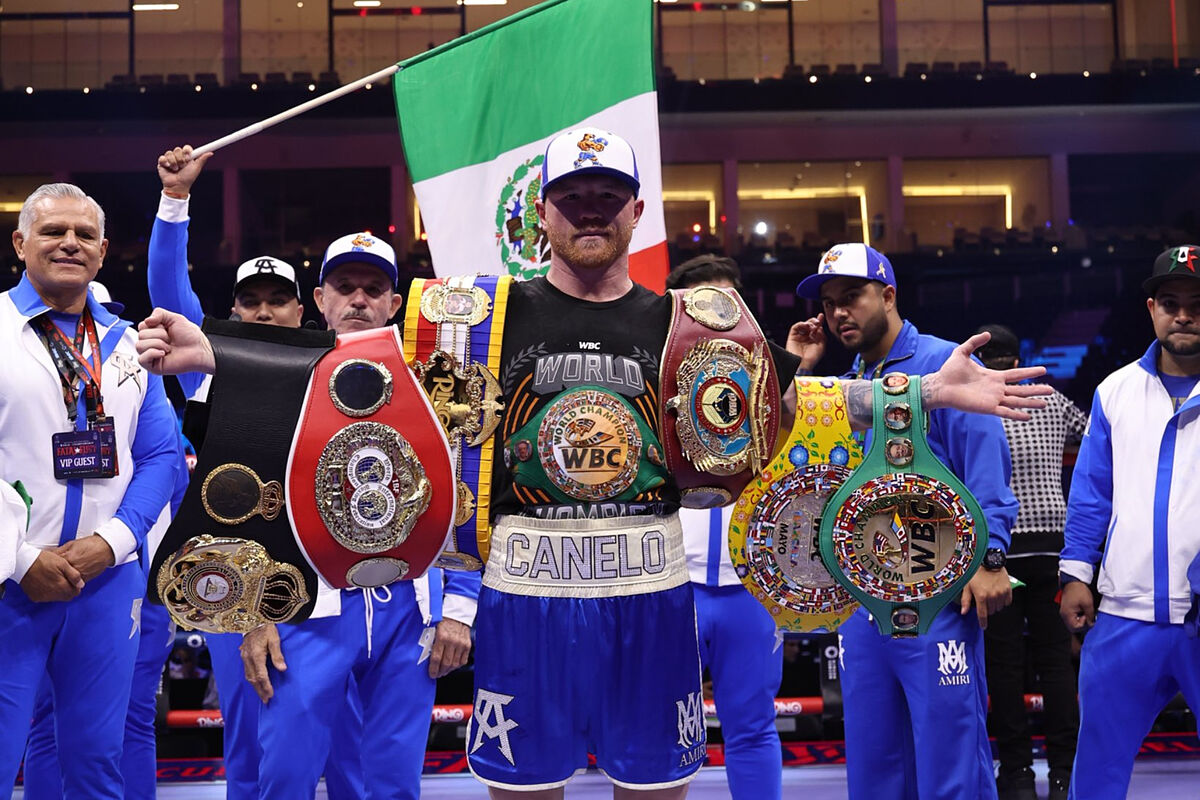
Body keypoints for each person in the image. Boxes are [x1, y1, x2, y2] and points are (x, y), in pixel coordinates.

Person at [135, 129, 1049, 800]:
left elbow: (775, 415)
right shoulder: (481, 317)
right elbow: (361, 374)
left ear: (635, 212)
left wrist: (929, 394)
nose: (590, 211)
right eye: (573, 197)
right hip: (526, 595)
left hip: (651, 596)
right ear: (543, 213)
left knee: (653, 792)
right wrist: (217, 356)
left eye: (608, 197)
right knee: (525, 792)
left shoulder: (681, 323)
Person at [149, 144, 367, 800]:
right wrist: (175, 200)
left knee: (345, 743)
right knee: (251, 740)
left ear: (304, 311)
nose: (266, 311)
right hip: (234, 578)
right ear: (232, 312)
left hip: (329, 580)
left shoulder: (332, 376)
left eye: (279, 299)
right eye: (252, 301)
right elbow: (166, 289)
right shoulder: (207, 369)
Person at [794, 242, 1019, 800]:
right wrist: (799, 368)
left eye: (852, 297)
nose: (839, 312)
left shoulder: (947, 365)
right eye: (828, 302)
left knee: (951, 759)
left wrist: (991, 560)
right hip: (861, 601)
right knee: (874, 765)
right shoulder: (844, 387)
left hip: (939, 597)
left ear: (888, 295)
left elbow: (985, 470)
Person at [0, 183, 181, 798]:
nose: (69, 244)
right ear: (21, 243)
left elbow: (161, 456)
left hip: (106, 583)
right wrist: (23, 559)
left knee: (99, 767)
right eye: (53, 232)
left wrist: (114, 541)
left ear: (103, 253)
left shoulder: (131, 346)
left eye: (83, 235)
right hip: (8, 582)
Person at [1059, 245, 1200, 800]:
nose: (1184, 315)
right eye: (1171, 302)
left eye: (1196, 304)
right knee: (1096, 769)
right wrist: (1075, 574)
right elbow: (1091, 493)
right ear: (1151, 308)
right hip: (1124, 615)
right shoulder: (1114, 390)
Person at [666, 254, 796, 800]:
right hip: (673, 582)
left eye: (724, 303)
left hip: (751, 586)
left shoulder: (769, 380)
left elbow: (799, 440)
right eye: (698, 305)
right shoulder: (654, 382)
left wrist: (796, 369)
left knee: (753, 728)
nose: (713, 316)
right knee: (661, 732)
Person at [975, 323, 1085, 800]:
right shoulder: (1052, 399)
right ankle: (1064, 775)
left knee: (1004, 667)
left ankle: (1016, 775)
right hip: (1051, 547)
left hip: (998, 548)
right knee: (1057, 665)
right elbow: (1100, 437)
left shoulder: (978, 403)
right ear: (1019, 356)